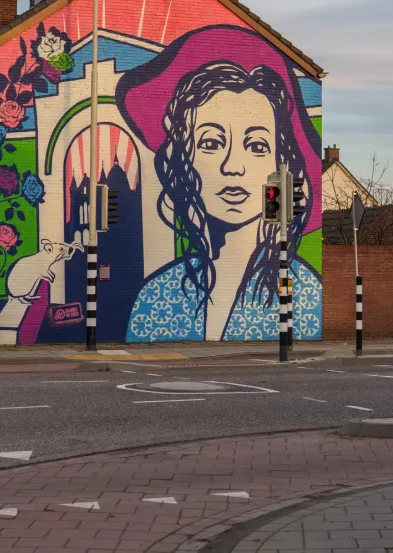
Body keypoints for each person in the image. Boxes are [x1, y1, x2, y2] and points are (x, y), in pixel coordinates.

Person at [116, 25, 322, 342]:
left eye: (256, 146)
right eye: (211, 143)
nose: (232, 167)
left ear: (279, 163)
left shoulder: (305, 292)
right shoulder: (156, 297)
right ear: (184, 157)